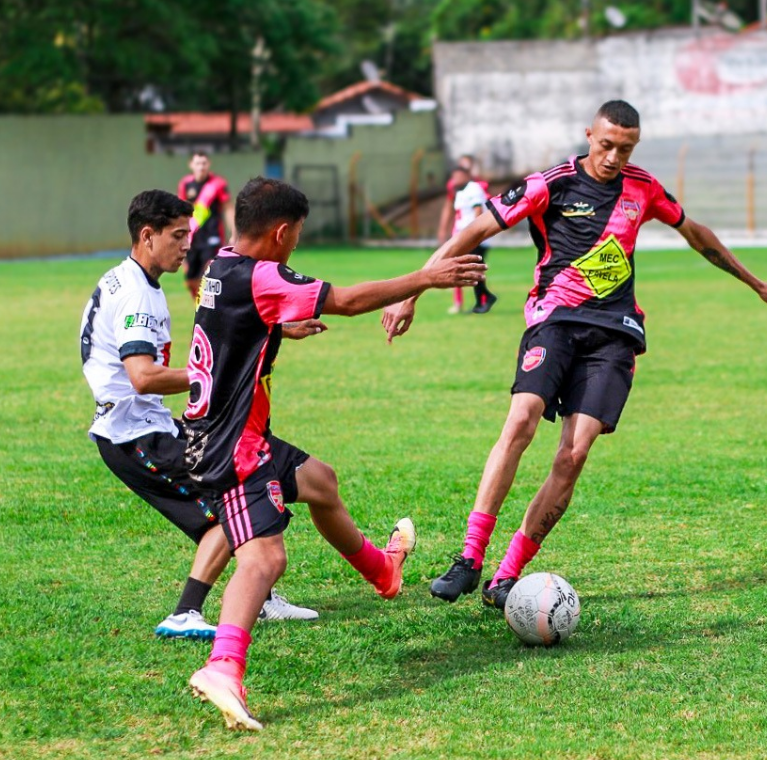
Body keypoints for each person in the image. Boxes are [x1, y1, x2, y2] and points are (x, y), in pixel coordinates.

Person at [380, 100, 767, 609]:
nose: (615, 156)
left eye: (626, 148)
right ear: (589, 136)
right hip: (554, 321)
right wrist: (412, 291)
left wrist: (755, 283)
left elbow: (695, 233)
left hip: (615, 335)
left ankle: (507, 577)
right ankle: (469, 558)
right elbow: (472, 233)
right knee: (522, 421)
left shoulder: (642, 188)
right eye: (606, 145)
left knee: (573, 455)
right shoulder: (550, 184)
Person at [181, 178, 486, 730]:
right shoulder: (264, 274)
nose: (295, 247)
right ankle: (223, 666)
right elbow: (344, 301)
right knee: (266, 559)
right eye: (295, 238)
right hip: (234, 445)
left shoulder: (222, 264)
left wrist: (278, 328)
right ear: (279, 233)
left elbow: (236, 326)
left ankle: (384, 572)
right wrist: (427, 277)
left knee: (320, 481)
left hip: (221, 430)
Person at [79, 190, 320, 642]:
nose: (188, 244)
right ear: (147, 236)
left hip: (143, 427)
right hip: (136, 435)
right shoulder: (138, 297)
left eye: (189, 233)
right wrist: (211, 377)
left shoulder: (121, 278)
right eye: (177, 235)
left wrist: (274, 329)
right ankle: (187, 612)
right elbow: (144, 377)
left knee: (237, 497)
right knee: (230, 510)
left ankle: (260, 596)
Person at [177, 152, 235, 301]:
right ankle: (201, 307)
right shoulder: (185, 184)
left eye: (204, 163)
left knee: (208, 274)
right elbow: (181, 211)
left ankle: (212, 309)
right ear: (191, 165)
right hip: (193, 238)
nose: (201, 167)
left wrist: (234, 233)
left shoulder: (218, 184)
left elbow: (228, 208)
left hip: (213, 236)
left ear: (208, 164)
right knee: (191, 280)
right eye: (198, 163)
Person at [437, 154, 489, 313]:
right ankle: (462, 302)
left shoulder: (477, 186)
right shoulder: (456, 187)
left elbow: (481, 208)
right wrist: (443, 228)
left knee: (468, 268)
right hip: (459, 232)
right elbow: (449, 206)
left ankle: (483, 300)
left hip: (471, 233)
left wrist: (478, 231)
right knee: (458, 266)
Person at [450, 165, 498, 313]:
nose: (455, 180)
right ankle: (482, 300)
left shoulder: (473, 188)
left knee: (474, 270)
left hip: (475, 238)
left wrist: (474, 234)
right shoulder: (460, 191)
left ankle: (485, 299)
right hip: (465, 236)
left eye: (458, 176)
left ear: (466, 176)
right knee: (471, 270)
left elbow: (478, 211)